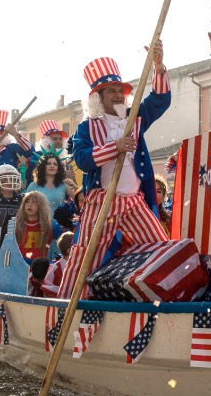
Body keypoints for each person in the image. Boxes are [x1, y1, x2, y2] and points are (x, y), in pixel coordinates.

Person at [58, 45, 171, 299]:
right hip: (101, 203)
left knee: (160, 247)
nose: (119, 95)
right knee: (85, 256)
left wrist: (159, 67)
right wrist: (115, 148)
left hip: (134, 201)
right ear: (98, 97)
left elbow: (160, 101)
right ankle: (64, 306)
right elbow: (82, 159)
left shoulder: (135, 117)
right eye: (112, 91)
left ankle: (160, 302)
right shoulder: (87, 127)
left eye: (121, 90)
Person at [14, 191, 53, 261]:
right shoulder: (17, 224)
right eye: (27, 201)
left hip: (39, 264)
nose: (29, 205)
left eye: (34, 202)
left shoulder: (48, 225)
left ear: (41, 205)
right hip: (20, 263)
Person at [41, 232, 74, 298]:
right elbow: (46, 287)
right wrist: (64, 292)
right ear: (69, 251)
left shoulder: (80, 264)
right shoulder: (56, 267)